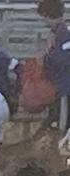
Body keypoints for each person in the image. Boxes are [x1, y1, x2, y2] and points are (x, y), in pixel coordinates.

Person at [39, 0, 70, 131]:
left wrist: (47, 55)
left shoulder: (64, 34)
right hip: (60, 86)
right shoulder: (58, 34)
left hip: (65, 86)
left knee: (64, 123)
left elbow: (62, 59)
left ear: (47, 15)